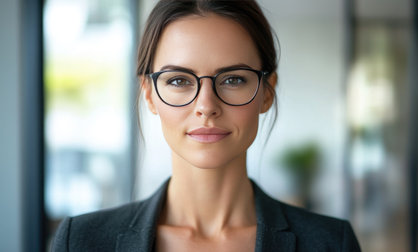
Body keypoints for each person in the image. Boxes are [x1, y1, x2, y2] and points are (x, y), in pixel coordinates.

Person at [52, 0, 361, 251]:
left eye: (233, 79)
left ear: (267, 92)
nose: (206, 106)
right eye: (178, 80)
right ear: (149, 95)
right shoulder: (82, 241)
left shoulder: (331, 242)